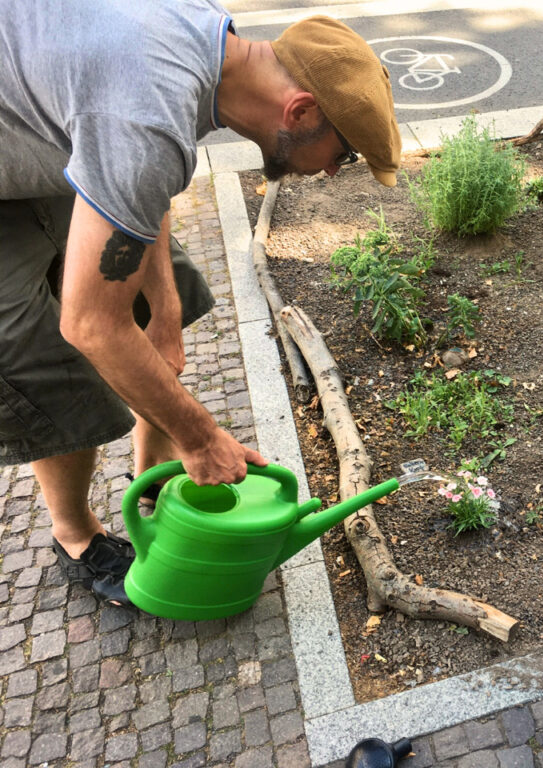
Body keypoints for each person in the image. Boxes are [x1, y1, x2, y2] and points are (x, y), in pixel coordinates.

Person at [0, 0, 402, 606]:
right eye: (342, 156)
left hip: (48, 131)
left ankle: (151, 491)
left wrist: (162, 312)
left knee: (171, 294)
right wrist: (201, 438)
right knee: (46, 352)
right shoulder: (147, 108)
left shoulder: (207, 46)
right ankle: (76, 539)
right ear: (301, 110)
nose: (332, 174)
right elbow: (89, 323)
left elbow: (143, 177)